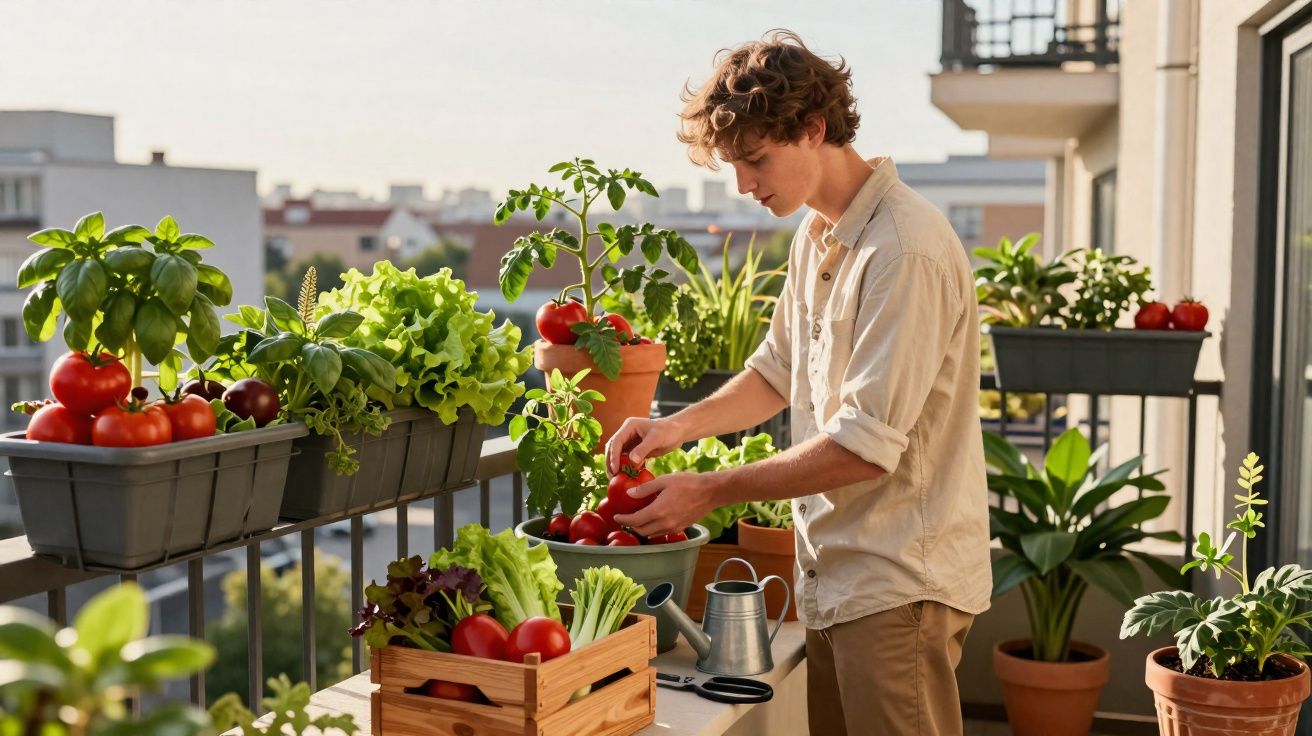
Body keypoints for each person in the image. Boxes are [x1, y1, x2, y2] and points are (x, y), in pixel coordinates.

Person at [606, 30, 992, 736]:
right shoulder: (819, 234)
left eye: (755, 161)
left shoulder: (903, 249)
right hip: (839, 577)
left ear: (813, 129)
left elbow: (861, 448)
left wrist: (709, 488)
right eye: (735, 166)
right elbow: (773, 374)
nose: (745, 186)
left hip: (897, 584)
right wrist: (674, 429)